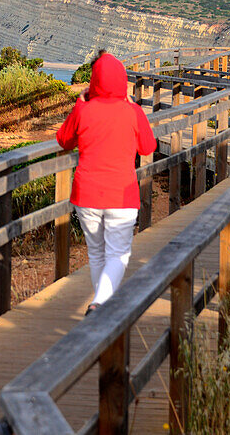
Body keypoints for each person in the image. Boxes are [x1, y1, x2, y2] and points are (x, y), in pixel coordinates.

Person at [56, 51, 157, 315]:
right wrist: (132, 106)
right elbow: (148, 146)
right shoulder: (132, 111)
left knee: (97, 254)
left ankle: (100, 307)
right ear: (122, 81)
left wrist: (79, 105)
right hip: (121, 196)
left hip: (86, 193)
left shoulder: (84, 111)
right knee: (118, 254)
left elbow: (64, 141)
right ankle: (100, 304)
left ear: (94, 82)